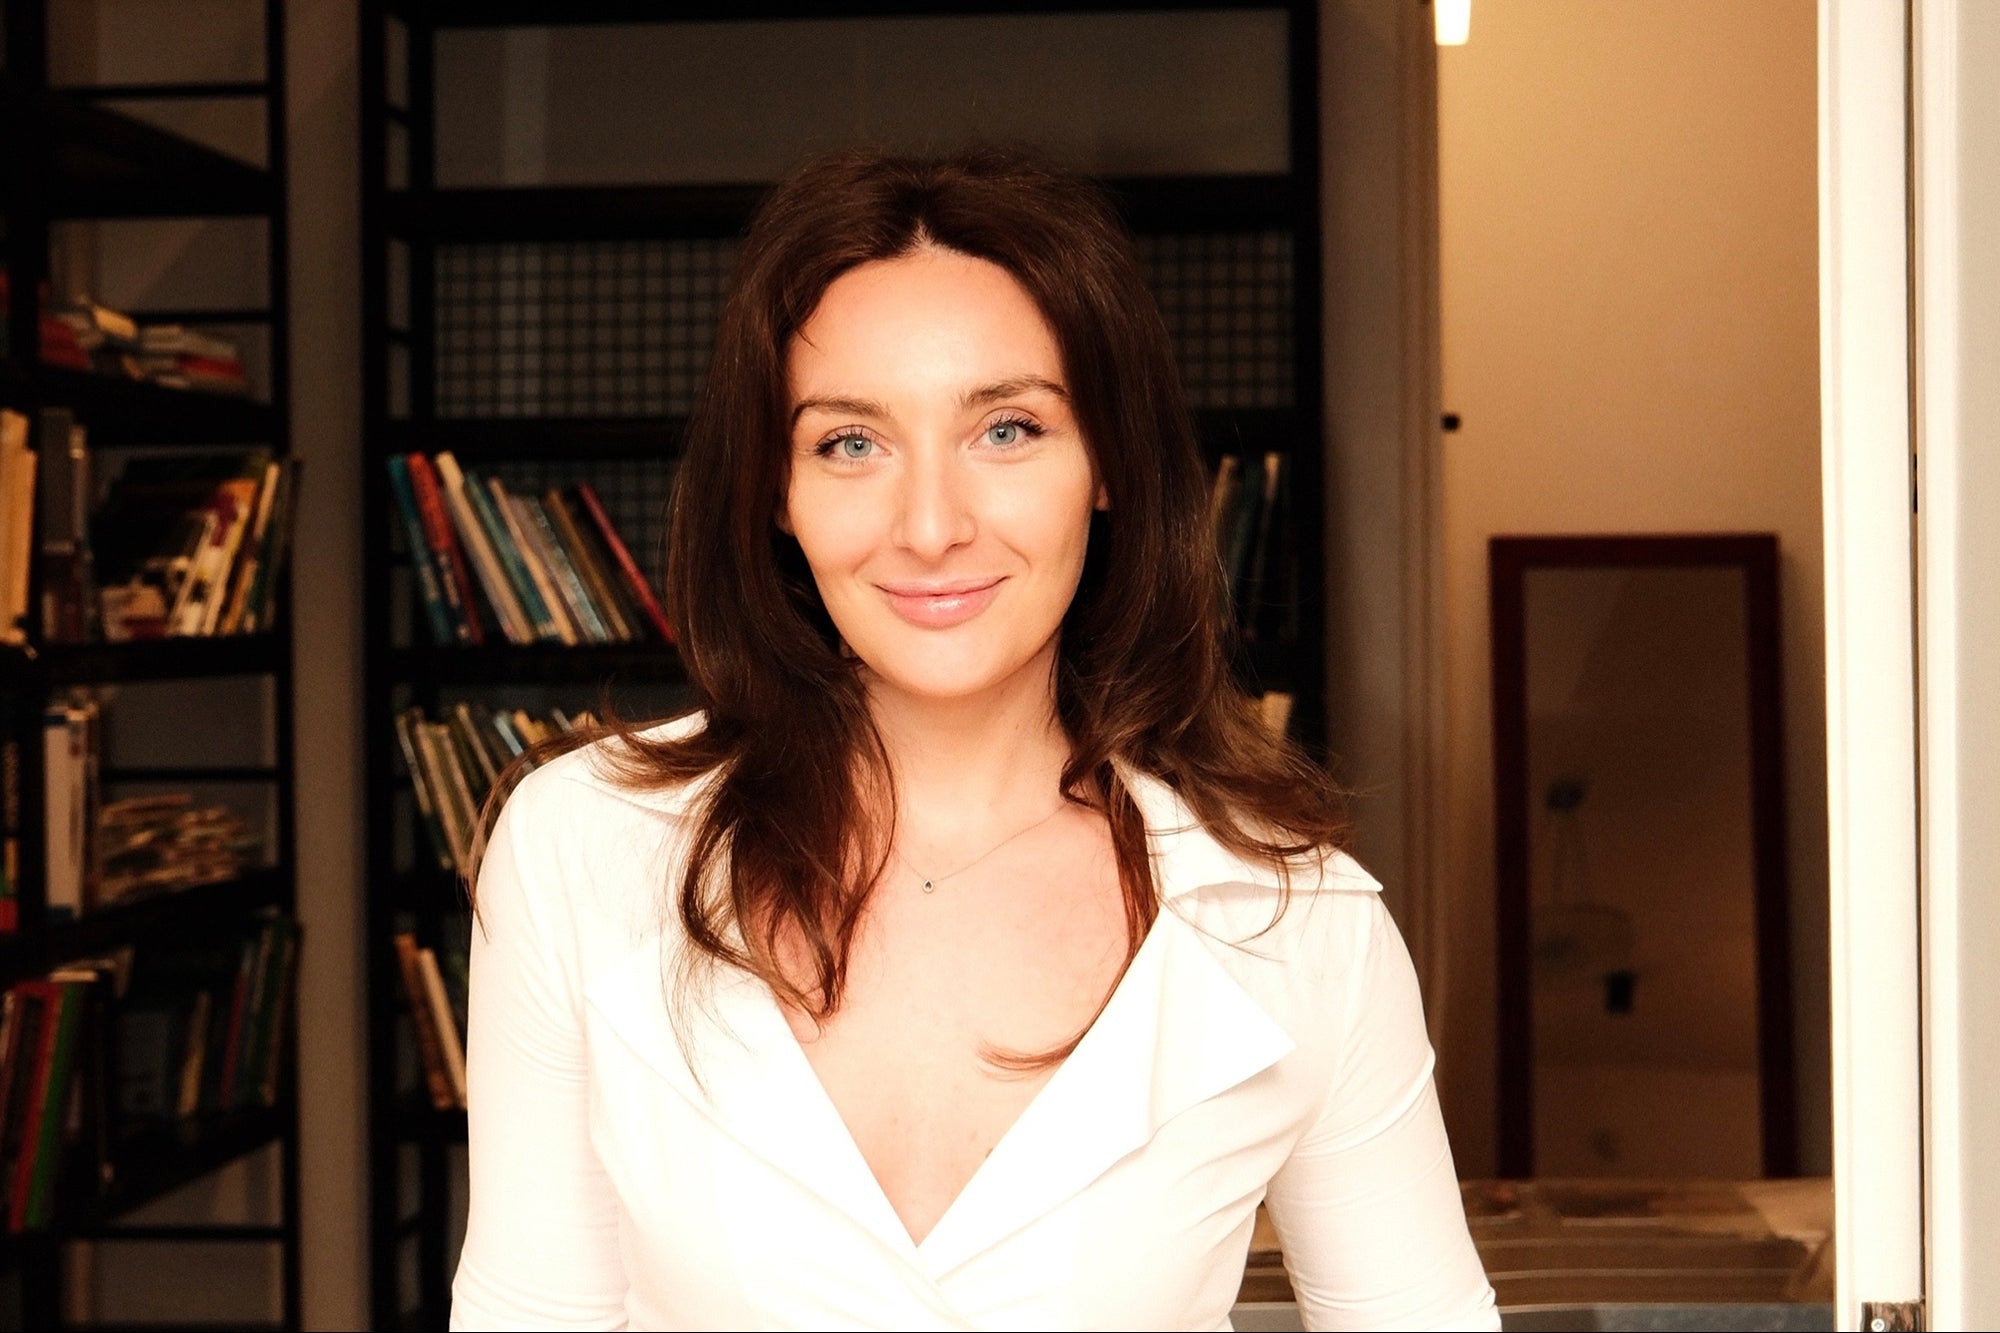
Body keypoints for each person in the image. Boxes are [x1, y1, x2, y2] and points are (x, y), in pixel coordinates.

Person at [449, 148, 1498, 1332]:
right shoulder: (583, 847)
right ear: (775, 491)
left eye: (1006, 428)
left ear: (1106, 465)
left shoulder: (1294, 920)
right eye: (851, 442)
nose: (930, 525)